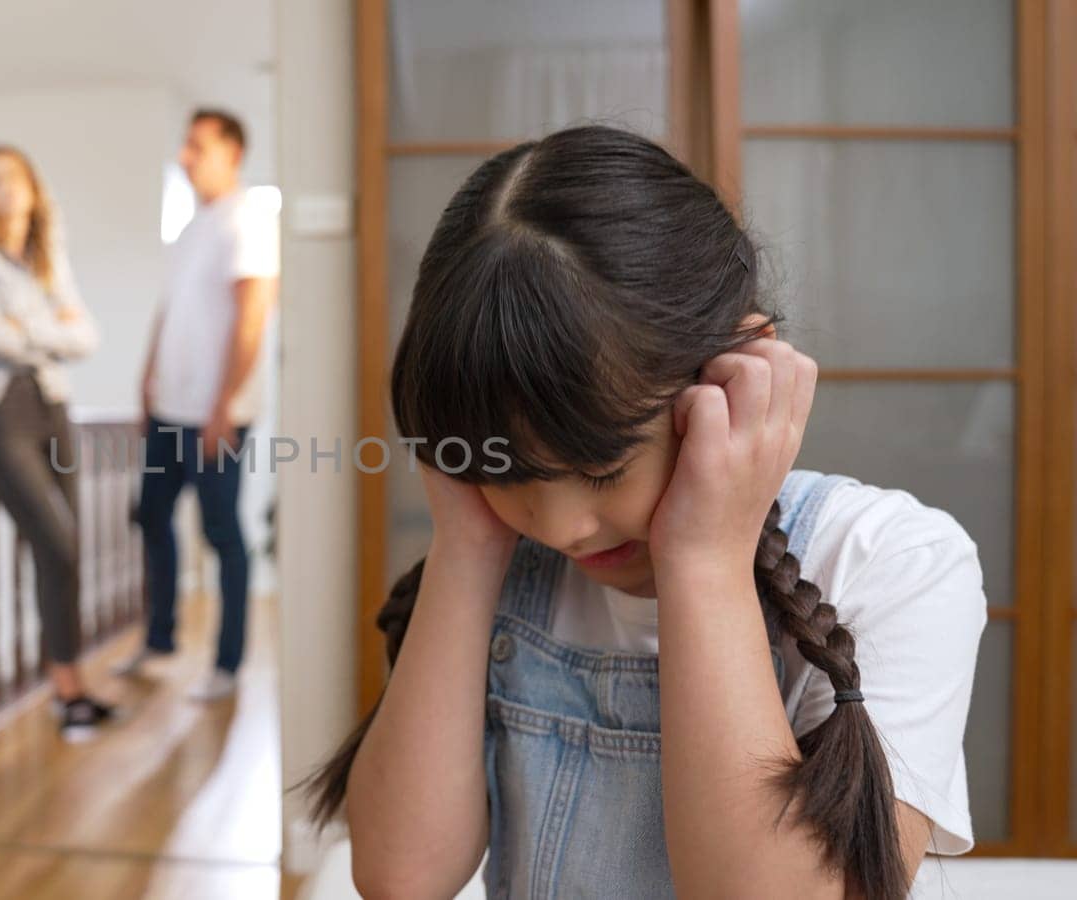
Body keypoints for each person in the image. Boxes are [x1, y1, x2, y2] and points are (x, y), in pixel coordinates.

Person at [304, 126, 986, 899]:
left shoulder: (892, 562)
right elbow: (401, 877)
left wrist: (706, 561)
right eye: (510, 470)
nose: (558, 528)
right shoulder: (498, 554)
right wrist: (465, 540)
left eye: (601, 470)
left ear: (736, 372)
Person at [0, 145, 113, 742]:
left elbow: (87, 336)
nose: (2, 191)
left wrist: (24, 332)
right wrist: (46, 331)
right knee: (56, 541)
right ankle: (65, 689)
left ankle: (72, 684)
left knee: (67, 549)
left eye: (11, 179)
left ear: (32, 188)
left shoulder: (45, 255)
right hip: (0, 410)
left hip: (51, 403)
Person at [112, 109, 280, 701]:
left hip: (215, 416)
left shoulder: (249, 220)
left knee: (221, 532)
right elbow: (172, 310)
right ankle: (160, 640)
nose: (186, 156)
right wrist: (147, 377)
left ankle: (227, 663)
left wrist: (223, 407)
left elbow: (252, 316)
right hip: (168, 413)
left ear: (231, 153)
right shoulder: (191, 227)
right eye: (185, 145)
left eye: (197, 146)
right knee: (151, 515)